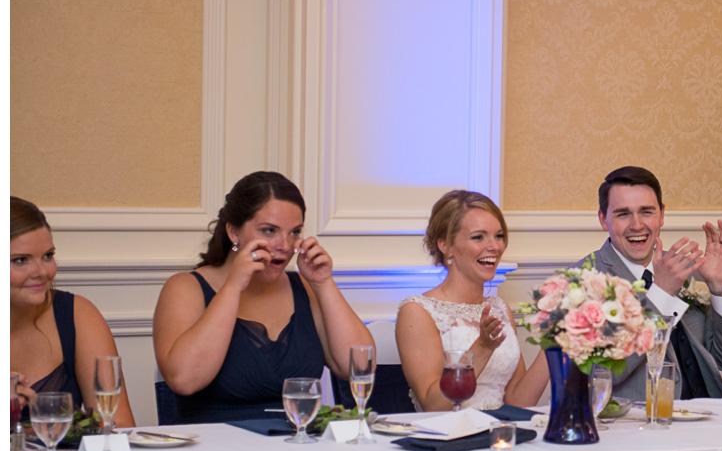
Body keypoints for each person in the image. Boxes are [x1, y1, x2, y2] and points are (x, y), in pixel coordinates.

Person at [153, 172, 371, 423]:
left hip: (298, 445)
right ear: (234, 232)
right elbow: (184, 380)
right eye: (269, 231)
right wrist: (234, 286)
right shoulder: (185, 288)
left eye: (294, 232)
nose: (285, 245)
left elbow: (358, 369)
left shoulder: (305, 287)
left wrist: (323, 283)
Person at [580, 166, 722, 401]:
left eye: (646, 212)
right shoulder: (581, 281)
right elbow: (603, 373)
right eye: (623, 214)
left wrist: (721, 287)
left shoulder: (685, 269)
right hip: (635, 424)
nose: (637, 224)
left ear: (662, 215)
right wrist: (660, 295)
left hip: (707, 416)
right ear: (603, 219)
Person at [396, 190, 548, 411]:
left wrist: (555, 343)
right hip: (451, 437)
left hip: (501, 436)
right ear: (445, 245)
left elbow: (518, 403)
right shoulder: (417, 311)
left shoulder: (499, 308)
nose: (495, 247)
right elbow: (433, 406)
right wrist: (483, 348)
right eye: (478, 237)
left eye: (498, 235)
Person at [10, 197, 135, 426]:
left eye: (48, 256)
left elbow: (117, 426)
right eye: (20, 260)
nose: (41, 271)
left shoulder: (77, 315)